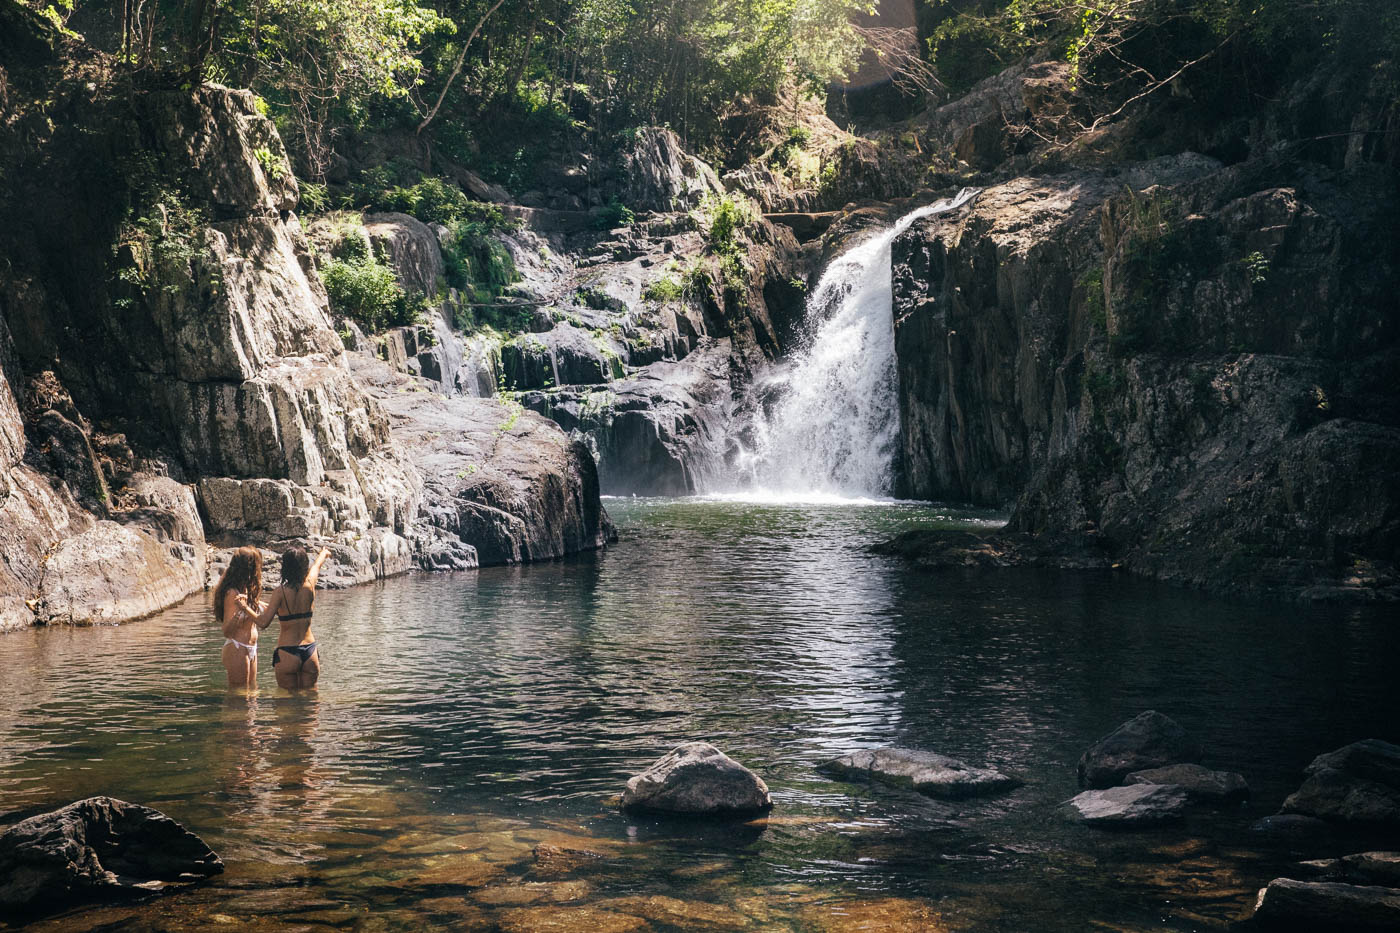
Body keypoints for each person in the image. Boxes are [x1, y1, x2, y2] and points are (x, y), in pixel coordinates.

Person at [261, 545, 331, 690]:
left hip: (287, 652)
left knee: (286, 704)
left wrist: (245, 607)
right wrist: (324, 553)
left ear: (285, 567)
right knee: (311, 701)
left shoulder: (280, 592)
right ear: (304, 565)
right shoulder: (310, 585)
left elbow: (263, 622)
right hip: (310, 651)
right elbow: (317, 565)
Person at [213, 547, 266, 689]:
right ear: (249, 568)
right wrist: (240, 612)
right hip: (237, 647)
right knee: (238, 696)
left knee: (253, 694)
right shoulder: (232, 594)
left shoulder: (248, 590)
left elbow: (265, 610)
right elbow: (226, 631)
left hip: (252, 648)